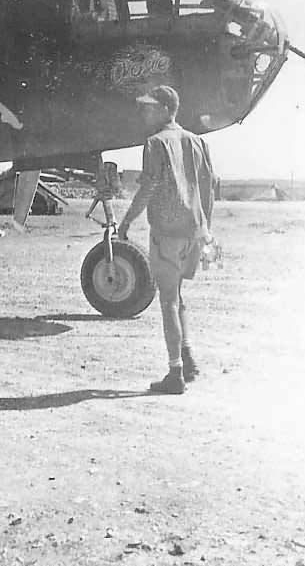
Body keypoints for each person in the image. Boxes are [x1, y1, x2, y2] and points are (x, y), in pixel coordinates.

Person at [117, 85, 214, 395]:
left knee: (168, 300)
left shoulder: (155, 143)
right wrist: (205, 227)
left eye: (148, 108)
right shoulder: (197, 141)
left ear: (163, 109)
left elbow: (148, 187)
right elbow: (209, 186)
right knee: (178, 297)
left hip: (168, 233)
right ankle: (188, 358)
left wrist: (128, 219)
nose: (144, 113)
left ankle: (175, 373)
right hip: (194, 232)